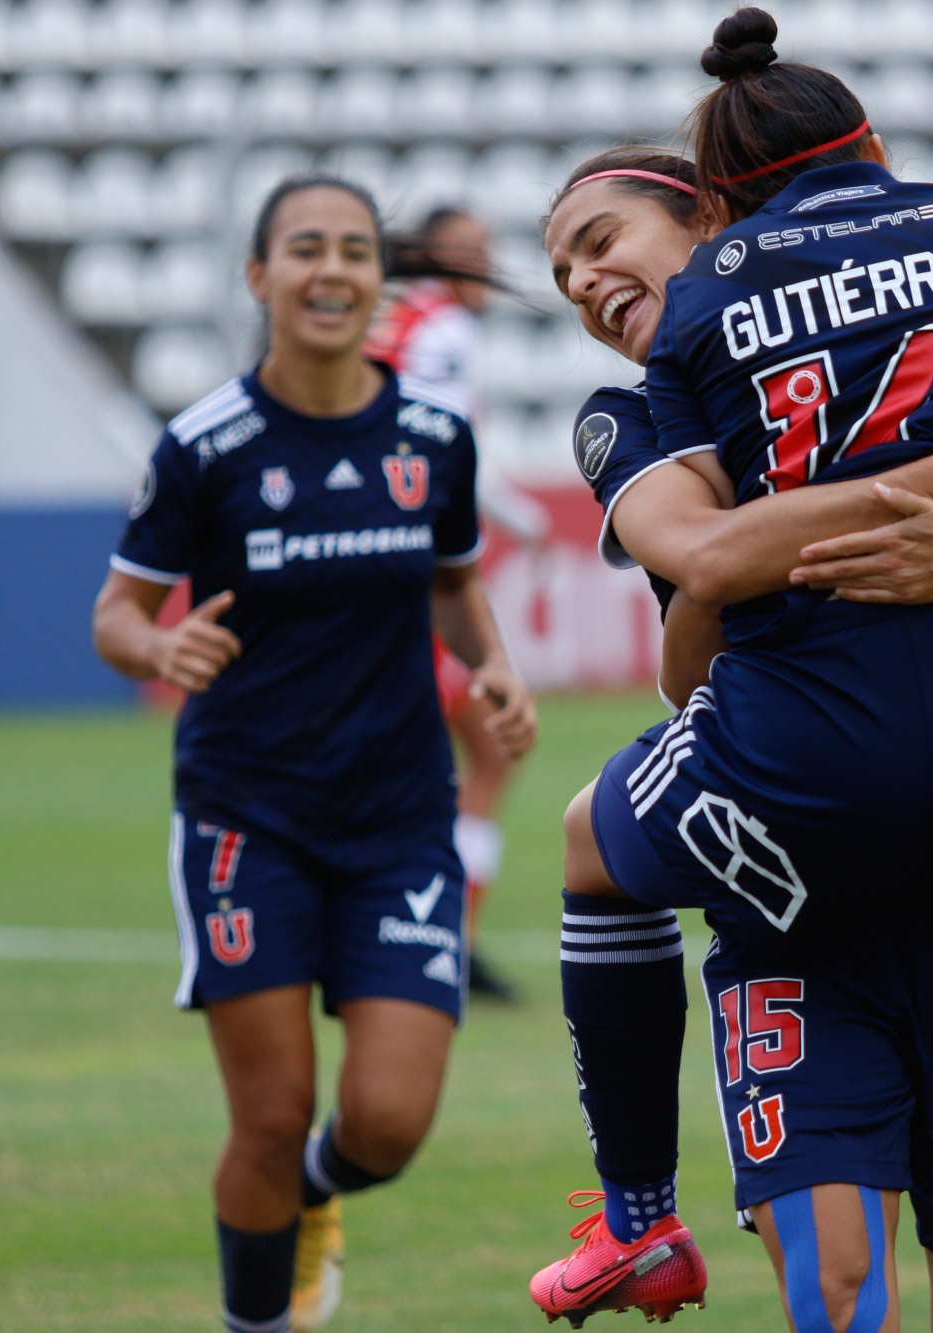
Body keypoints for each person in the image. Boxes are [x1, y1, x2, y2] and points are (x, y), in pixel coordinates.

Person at [532, 12, 933, 1330]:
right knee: (841, 1290)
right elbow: (690, 624)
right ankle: (636, 1213)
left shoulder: (833, 318)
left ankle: (632, 1214)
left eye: (598, 244)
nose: (584, 285)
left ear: (706, 209)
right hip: (800, 883)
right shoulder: (630, 413)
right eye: (561, 280)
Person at [91, 175, 537, 1333]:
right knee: (272, 1112)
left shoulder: (431, 439)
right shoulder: (205, 446)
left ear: (375, 278)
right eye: (304, 248)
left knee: (386, 1123)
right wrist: (160, 643)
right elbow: (115, 615)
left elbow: (450, 585)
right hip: (250, 817)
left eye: (352, 248)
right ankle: (260, 1319)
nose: (331, 268)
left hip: (397, 822)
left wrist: (489, 664)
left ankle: (313, 1202)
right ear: (262, 277)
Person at [367, 205, 544, 1001]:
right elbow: (437, 448)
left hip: (385, 566)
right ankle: (440, 936)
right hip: (410, 571)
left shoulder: (406, 320)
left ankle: (439, 934)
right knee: (487, 744)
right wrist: (523, 517)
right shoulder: (441, 329)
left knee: (456, 750)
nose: (486, 268)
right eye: (471, 252)